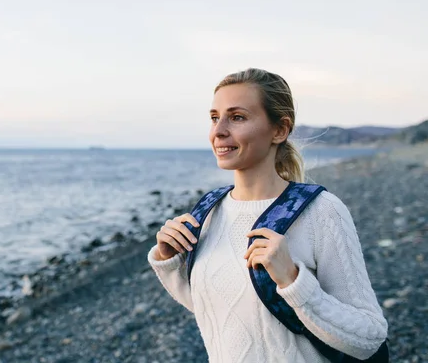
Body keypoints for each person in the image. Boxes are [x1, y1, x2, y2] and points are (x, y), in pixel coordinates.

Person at [147, 68, 388, 362]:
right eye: (214, 117)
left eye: (237, 117)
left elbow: (370, 338)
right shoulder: (209, 210)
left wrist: (293, 281)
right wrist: (169, 262)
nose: (219, 131)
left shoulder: (323, 211)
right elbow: (222, 312)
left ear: (280, 130)